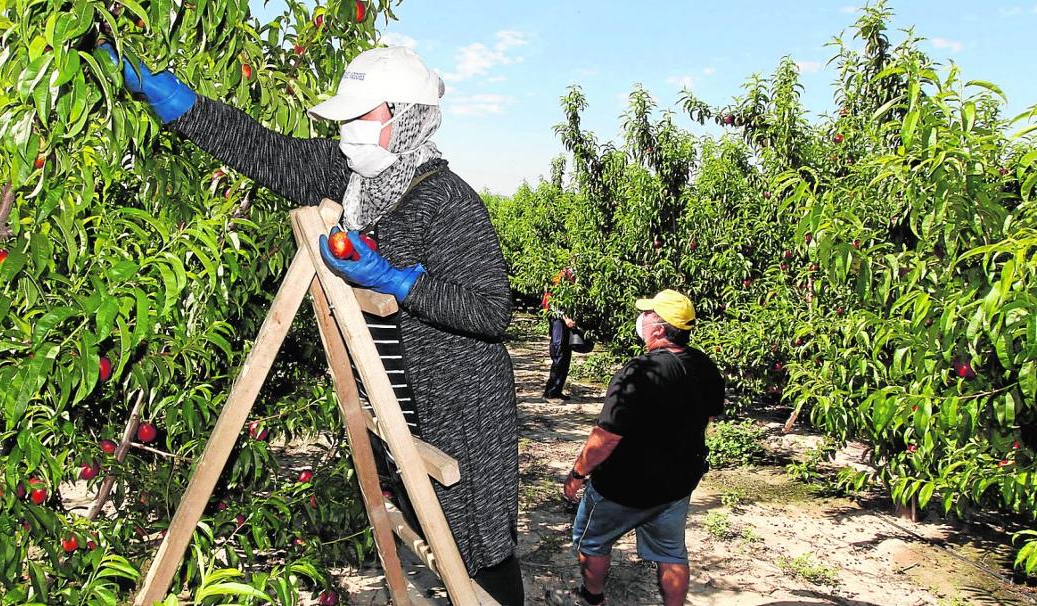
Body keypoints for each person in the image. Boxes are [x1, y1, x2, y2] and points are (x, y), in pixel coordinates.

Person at [100, 44, 524, 603]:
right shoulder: (348, 178)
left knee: (478, 547)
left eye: (361, 115)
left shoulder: (449, 202)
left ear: (407, 115)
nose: (348, 128)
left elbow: (492, 311)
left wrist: (400, 281)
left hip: (460, 406)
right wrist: (180, 103)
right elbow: (264, 150)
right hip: (400, 404)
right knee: (429, 531)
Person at [550, 289, 724, 606]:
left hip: (624, 486)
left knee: (591, 541)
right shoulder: (705, 366)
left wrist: (576, 474)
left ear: (658, 328)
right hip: (677, 482)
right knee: (671, 551)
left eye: (647, 314)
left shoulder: (637, 372)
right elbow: (709, 414)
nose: (641, 319)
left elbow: (606, 438)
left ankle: (592, 598)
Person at [542, 266, 576, 400]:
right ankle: (550, 391)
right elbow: (552, 301)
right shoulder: (560, 276)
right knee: (559, 351)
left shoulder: (576, 276)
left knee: (566, 353)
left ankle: (557, 390)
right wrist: (565, 317)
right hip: (558, 319)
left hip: (566, 319)